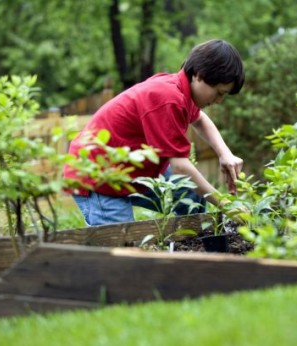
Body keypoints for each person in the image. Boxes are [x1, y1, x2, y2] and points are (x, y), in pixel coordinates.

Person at [63, 39, 245, 226]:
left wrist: (225, 153)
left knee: (190, 192)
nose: (219, 100)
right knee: (122, 244)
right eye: (219, 93)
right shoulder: (168, 98)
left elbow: (199, 119)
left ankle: (187, 245)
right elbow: (180, 167)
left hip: (126, 167)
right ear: (199, 75)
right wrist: (224, 204)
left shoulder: (182, 90)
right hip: (97, 177)